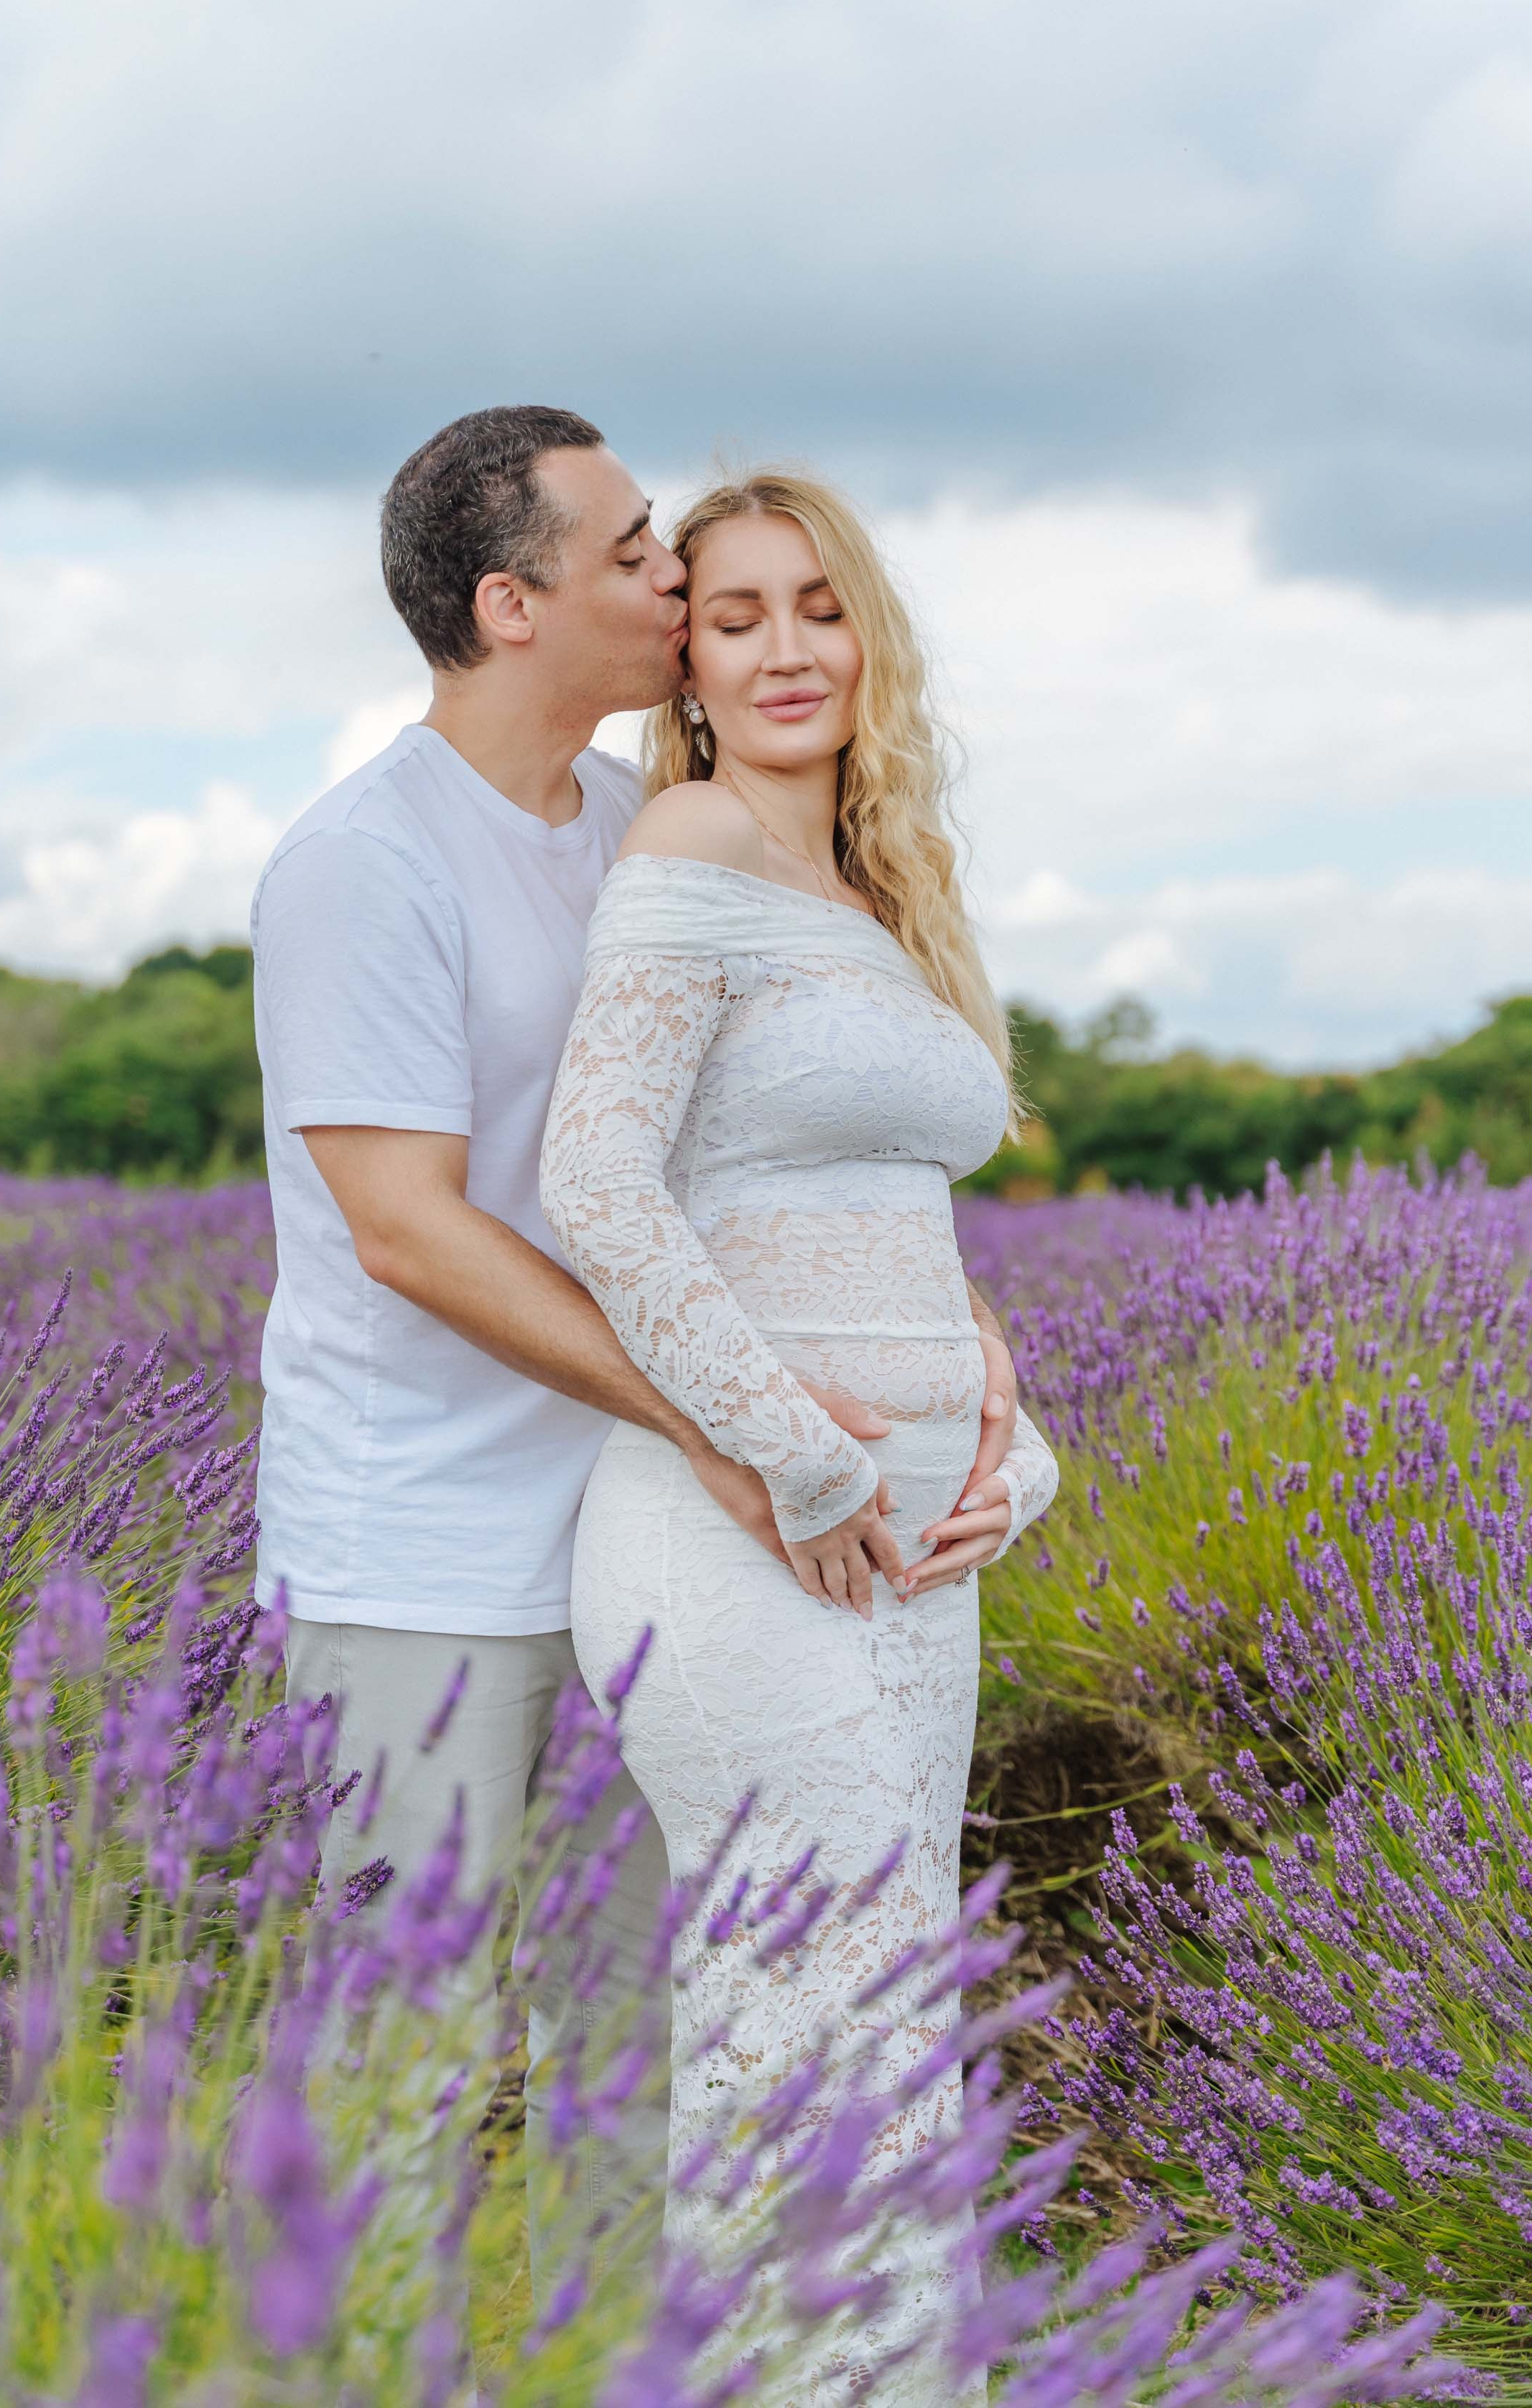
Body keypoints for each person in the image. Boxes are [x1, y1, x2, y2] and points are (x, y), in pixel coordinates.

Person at [249, 408, 1023, 2297]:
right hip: (421, 1547)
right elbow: (408, 1227)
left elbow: (760, 1135)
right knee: (407, 2074)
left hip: (639, 1519)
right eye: (638, 554)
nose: (672, 581)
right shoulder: (365, 861)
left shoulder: (632, 826)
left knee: (632, 2063)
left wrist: (949, 1346)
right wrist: (747, 1419)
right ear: (513, 605)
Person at [540, 468, 1060, 2396]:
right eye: (736, 611)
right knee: (807, 2027)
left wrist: (1011, 1452)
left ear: (871, 637)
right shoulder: (688, 837)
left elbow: (893, 1233)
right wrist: (804, 1451)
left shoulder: (877, 884)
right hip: (738, 1532)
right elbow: (596, 1181)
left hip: (916, 1562)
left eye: (818, 606)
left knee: (888, 2031)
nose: (783, 648)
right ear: (682, 657)